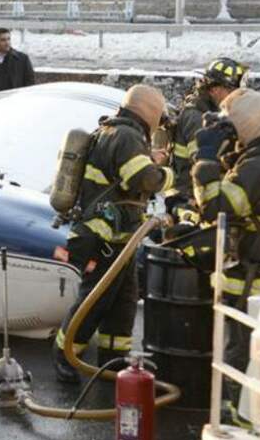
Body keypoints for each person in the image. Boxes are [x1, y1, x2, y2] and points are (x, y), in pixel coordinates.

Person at [53, 85, 175, 383]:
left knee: (123, 302)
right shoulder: (127, 136)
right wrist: (166, 172)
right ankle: (64, 356)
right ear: (149, 110)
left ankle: (112, 361)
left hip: (119, 237)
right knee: (95, 299)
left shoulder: (116, 132)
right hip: (103, 237)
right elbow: (144, 178)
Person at [190, 88, 260, 424]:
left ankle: (239, 422)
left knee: (240, 355)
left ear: (248, 124)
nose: (227, 131)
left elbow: (215, 207)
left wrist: (204, 160)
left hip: (250, 284)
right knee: (247, 353)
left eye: (231, 124)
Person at [168, 58, 248, 216]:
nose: (237, 96)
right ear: (214, 90)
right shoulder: (197, 117)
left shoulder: (214, 111)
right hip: (190, 198)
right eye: (232, 90)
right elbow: (201, 163)